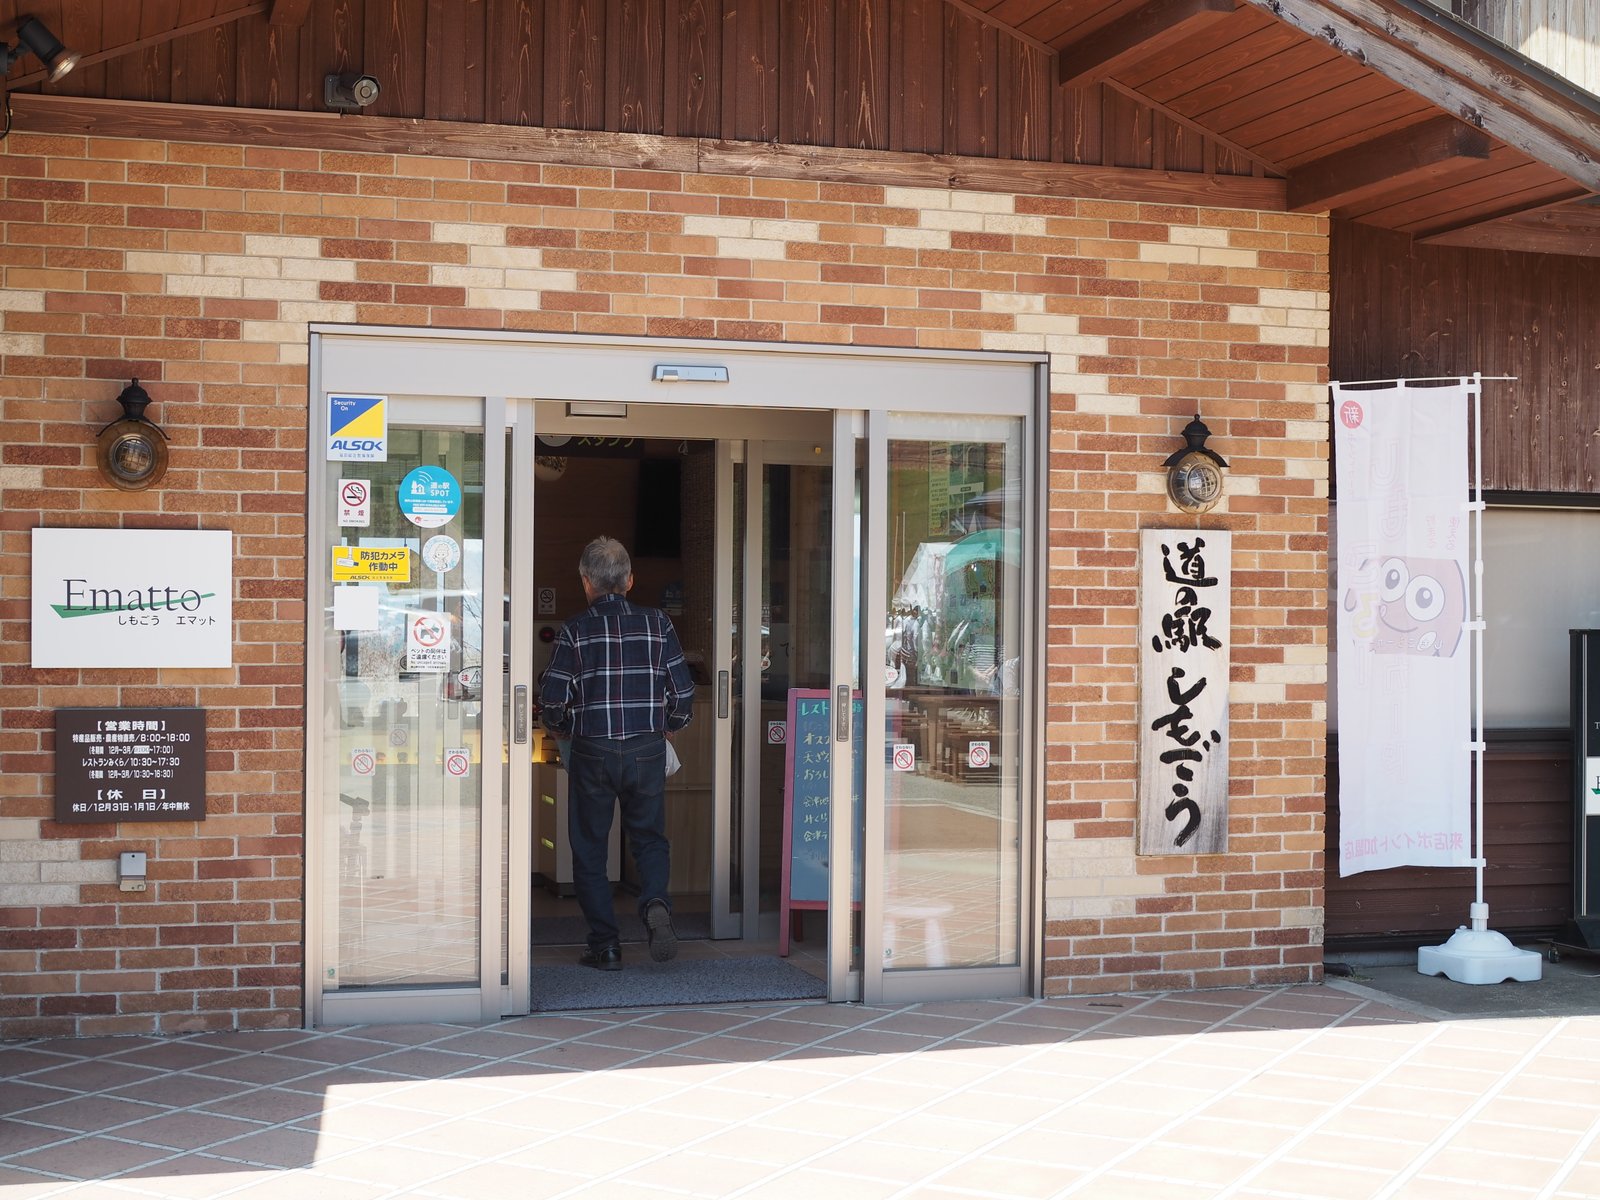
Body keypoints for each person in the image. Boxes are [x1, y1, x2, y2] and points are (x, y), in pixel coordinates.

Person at [539, 536, 696, 971]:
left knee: (589, 848)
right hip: (646, 747)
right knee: (648, 838)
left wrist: (568, 731)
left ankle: (605, 945)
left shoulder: (574, 630)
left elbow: (552, 701)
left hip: (592, 750)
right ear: (630, 580)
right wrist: (670, 728)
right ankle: (655, 904)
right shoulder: (659, 624)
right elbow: (682, 695)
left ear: (586, 582)